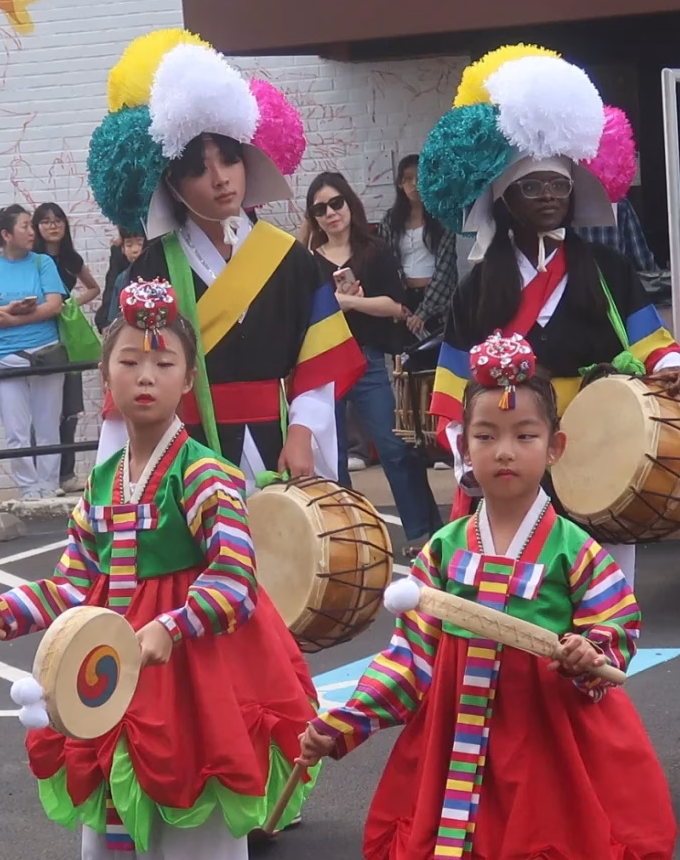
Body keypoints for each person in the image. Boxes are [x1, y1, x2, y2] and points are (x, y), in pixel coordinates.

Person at [302, 334, 675, 860]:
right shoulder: (441, 552)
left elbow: (617, 629)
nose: (505, 451)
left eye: (525, 435)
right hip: (459, 752)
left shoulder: (575, 550)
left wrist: (590, 650)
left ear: (555, 446)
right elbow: (411, 660)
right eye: (486, 436)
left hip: (547, 750)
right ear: (461, 447)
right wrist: (344, 724)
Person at [0, 281, 319, 860]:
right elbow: (73, 583)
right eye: (128, 359)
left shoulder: (206, 472)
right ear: (106, 377)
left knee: (195, 848)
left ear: (190, 379)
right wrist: (5, 613)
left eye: (163, 360)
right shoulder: (103, 480)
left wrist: (171, 625)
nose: (144, 374)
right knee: (108, 845)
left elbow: (234, 579)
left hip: (198, 680)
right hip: (117, 681)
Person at [421, 47, 680, 589]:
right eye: (532, 186)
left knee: (604, 599)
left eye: (559, 185)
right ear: (504, 199)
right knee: (521, 598)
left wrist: (674, 366)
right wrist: (471, 457)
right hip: (513, 456)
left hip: (601, 451)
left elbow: (653, 345)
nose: (548, 196)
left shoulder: (609, 269)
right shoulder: (475, 292)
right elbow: (451, 403)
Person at [88, 28, 362, 483]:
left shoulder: (290, 258)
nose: (220, 178)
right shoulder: (153, 269)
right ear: (171, 185)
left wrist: (302, 433)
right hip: (184, 451)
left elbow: (320, 361)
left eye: (230, 158)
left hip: (278, 439)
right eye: (197, 167)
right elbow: (132, 376)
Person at [304, 170, 439, 538]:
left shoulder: (374, 250)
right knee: (332, 460)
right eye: (320, 208)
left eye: (336, 203)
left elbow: (395, 306)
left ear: (349, 203)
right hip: (323, 362)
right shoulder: (306, 260)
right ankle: (347, 540)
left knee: (395, 449)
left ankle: (421, 534)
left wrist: (346, 302)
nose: (331, 213)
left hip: (367, 359)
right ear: (313, 216)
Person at [0, 205, 69, 498]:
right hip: (3, 356)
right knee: (16, 431)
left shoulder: (42, 263)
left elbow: (54, 305)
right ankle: (28, 488)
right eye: (25, 226)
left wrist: (16, 319)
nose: (31, 231)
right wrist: (4, 310)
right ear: (6, 234)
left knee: (49, 424)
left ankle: (49, 486)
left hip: (45, 351)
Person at [34, 202, 97, 487]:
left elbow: (94, 287)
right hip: (40, 334)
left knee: (69, 407)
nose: (52, 226)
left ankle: (66, 474)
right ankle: (42, 475)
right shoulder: (31, 260)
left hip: (67, 334)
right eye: (45, 221)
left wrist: (72, 303)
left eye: (57, 220)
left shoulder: (71, 258)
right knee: (43, 409)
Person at [380, 152, 459, 340]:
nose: (415, 184)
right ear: (400, 184)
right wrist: (397, 301)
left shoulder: (442, 219)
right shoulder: (390, 220)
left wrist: (423, 312)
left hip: (436, 300)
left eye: (420, 178)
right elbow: (386, 262)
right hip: (404, 300)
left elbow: (445, 269)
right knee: (407, 362)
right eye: (408, 179)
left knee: (438, 359)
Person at [97, 229, 147, 325]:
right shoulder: (121, 279)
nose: (135, 250)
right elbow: (113, 315)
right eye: (129, 245)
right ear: (122, 249)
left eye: (140, 244)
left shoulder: (156, 276)